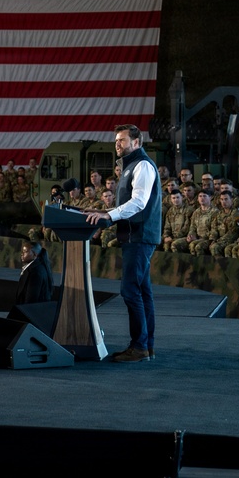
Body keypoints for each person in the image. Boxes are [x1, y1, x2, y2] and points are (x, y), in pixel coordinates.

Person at [85, 124, 161, 363]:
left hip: (139, 237)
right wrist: (104, 211)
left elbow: (138, 202)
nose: (118, 144)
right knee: (142, 292)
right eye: (116, 140)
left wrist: (109, 215)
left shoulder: (143, 166)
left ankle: (139, 347)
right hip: (133, 236)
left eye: (122, 140)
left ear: (136, 143)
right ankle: (146, 346)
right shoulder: (130, 166)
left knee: (130, 291)